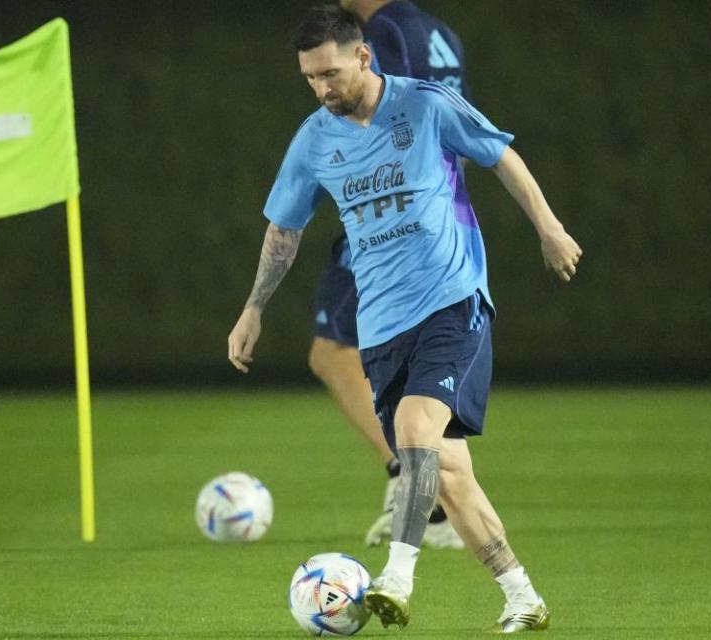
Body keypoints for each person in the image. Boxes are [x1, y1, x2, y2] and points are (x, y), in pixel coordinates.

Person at [228, 5, 581, 633]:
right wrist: (254, 308)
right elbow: (284, 229)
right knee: (448, 473)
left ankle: (396, 577)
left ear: (363, 56)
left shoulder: (425, 105)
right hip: (381, 324)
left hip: (453, 298)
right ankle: (523, 596)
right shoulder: (314, 139)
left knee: (417, 430)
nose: (321, 88)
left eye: (330, 73)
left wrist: (550, 229)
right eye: (310, 78)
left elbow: (500, 155)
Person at [310, 0, 473, 550]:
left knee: (335, 352)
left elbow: (386, 118)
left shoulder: (381, 31)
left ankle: (421, 497)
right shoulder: (436, 31)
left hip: (393, 218)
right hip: (439, 208)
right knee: (397, 359)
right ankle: (427, 493)